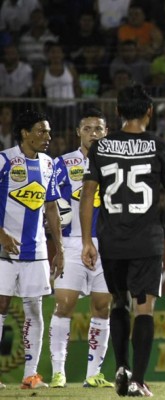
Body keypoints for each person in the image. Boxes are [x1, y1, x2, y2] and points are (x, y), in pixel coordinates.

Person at [80, 84, 165, 397]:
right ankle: (138, 380)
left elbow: (88, 194)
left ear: (117, 112)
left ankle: (121, 366)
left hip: (111, 239)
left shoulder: (101, 148)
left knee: (118, 302)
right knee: (144, 309)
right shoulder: (160, 146)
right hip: (146, 241)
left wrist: (88, 240)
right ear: (149, 112)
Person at [48, 108, 113, 389]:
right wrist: (58, 245)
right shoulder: (61, 164)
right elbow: (50, 204)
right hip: (72, 244)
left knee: (103, 307)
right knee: (64, 305)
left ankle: (93, 374)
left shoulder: (115, 163)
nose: (93, 133)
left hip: (108, 244)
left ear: (106, 132)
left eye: (98, 128)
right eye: (87, 128)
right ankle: (58, 372)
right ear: (78, 132)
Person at [0, 109, 64, 389]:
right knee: (1, 306)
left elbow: (51, 207)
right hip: (4, 249)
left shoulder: (49, 164)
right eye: (41, 130)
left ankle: (30, 374)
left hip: (36, 249)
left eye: (48, 131)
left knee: (35, 310)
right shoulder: (4, 160)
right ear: (25, 133)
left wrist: (59, 248)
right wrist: (1, 234)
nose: (47, 136)